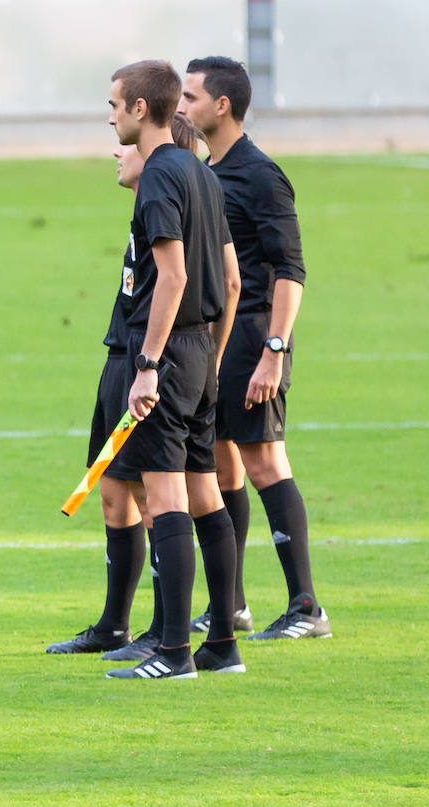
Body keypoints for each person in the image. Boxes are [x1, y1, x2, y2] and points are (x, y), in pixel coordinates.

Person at [178, 56, 331, 641]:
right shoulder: (205, 168)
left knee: (265, 460)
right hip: (216, 340)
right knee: (221, 463)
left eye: (192, 97)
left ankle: (307, 607)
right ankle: (233, 603)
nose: (183, 106)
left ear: (222, 106)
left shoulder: (261, 175)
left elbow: (291, 269)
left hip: (255, 336)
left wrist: (275, 349)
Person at [100, 60, 243, 680]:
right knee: (206, 495)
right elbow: (228, 279)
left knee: (165, 497)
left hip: (166, 352)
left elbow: (176, 276)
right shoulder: (200, 171)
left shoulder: (160, 175)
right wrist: (202, 359)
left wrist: (150, 365)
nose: (110, 117)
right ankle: (221, 646)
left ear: (140, 109)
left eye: (114, 105)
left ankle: (174, 653)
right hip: (200, 352)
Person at [47, 114, 204, 662]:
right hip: (124, 356)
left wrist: (152, 362)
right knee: (115, 494)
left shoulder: (169, 185)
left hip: (151, 359)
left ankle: (169, 636)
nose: (118, 150)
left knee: (156, 497)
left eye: (124, 141)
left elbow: (201, 280)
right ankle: (117, 625)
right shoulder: (150, 202)